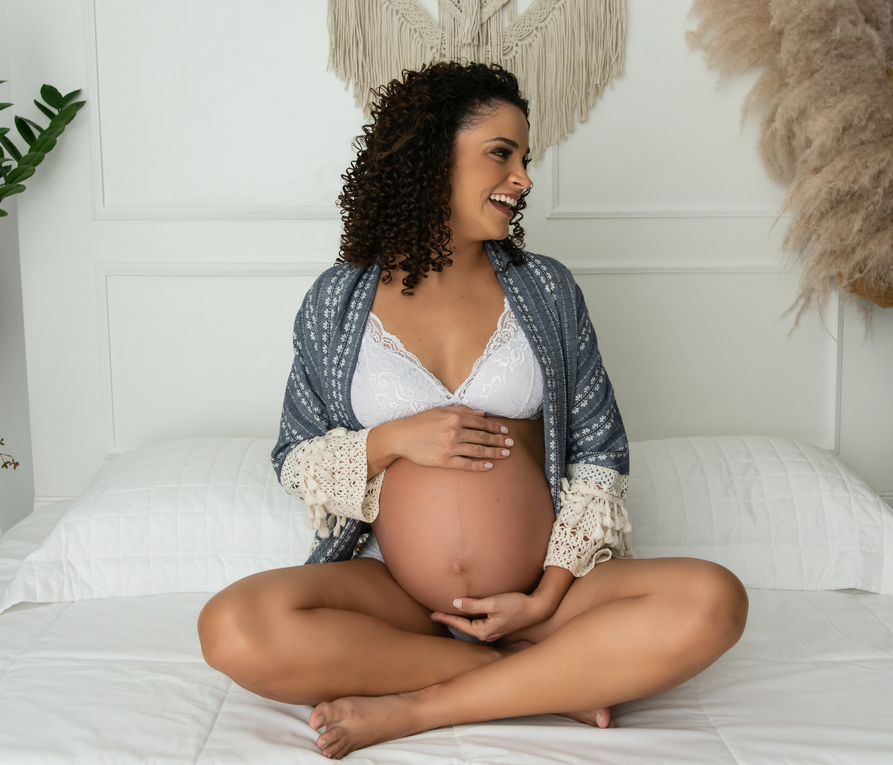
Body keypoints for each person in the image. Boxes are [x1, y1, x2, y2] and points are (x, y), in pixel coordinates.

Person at [197, 61, 748, 760]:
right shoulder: (337, 303)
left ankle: (422, 706)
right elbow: (296, 455)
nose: (521, 178)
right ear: (432, 160)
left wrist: (547, 596)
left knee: (714, 600)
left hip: (543, 603)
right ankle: (544, 683)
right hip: (402, 604)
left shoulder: (545, 289)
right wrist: (395, 439)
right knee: (232, 627)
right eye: (501, 154)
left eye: (524, 159)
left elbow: (598, 455)